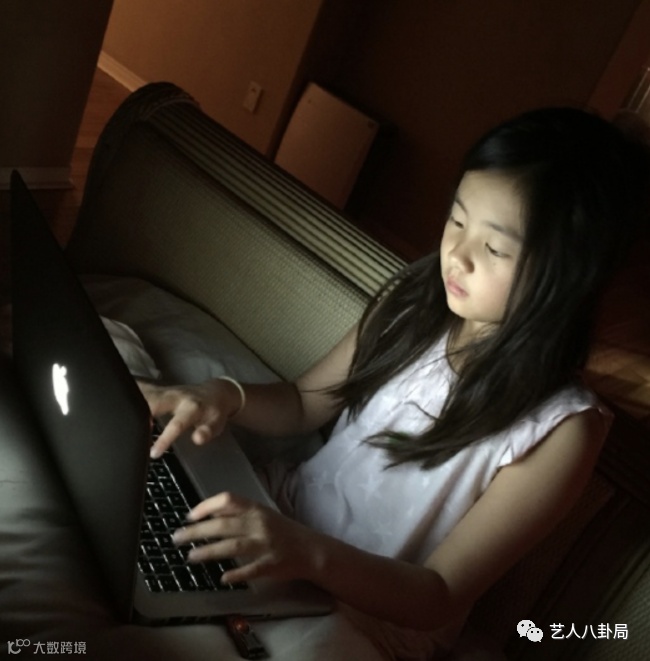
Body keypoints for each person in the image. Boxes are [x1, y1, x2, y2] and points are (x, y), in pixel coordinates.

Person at [139, 107, 649, 659]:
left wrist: (304, 552)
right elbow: (304, 402)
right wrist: (224, 395)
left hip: (363, 619)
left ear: (569, 275)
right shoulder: (414, 306)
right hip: (276, 521)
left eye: (495, 248)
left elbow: (439, 594)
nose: (457, 255)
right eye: (458, 220)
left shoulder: (561, 429)